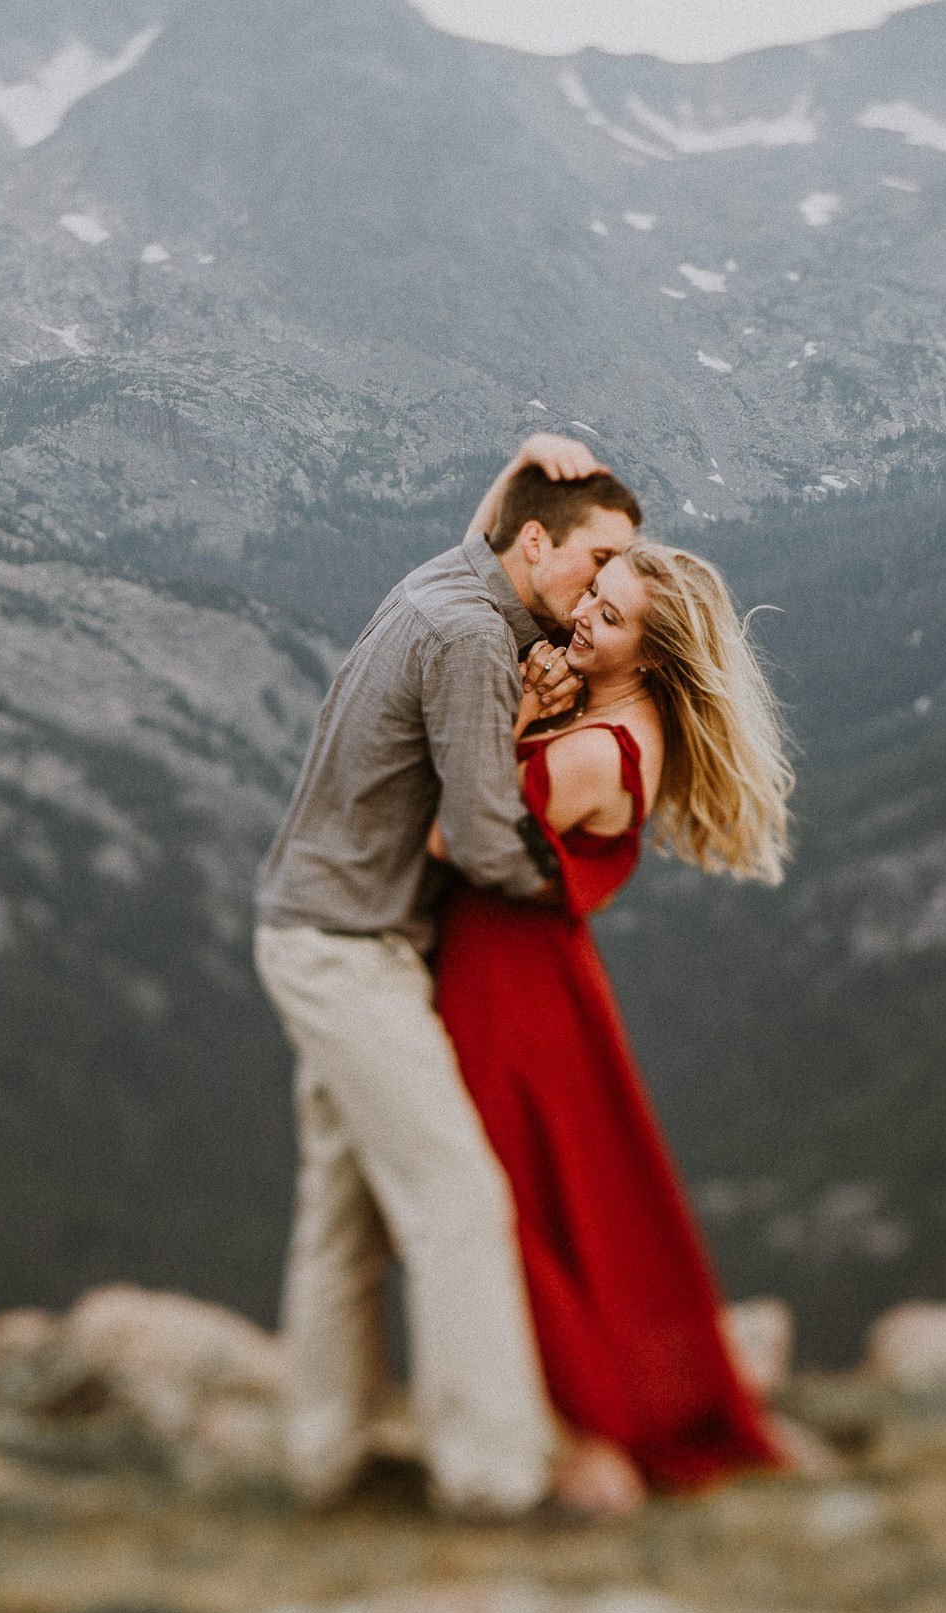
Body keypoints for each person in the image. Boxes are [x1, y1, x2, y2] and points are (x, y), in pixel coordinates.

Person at [253, 433, 643, 1518]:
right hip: (351, 950)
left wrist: (524, 457)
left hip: (312, 927)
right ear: (532, 541)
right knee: (459, 1199)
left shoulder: (448, 579)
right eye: (596, 557)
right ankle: (498, 1476)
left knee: (343, 1213)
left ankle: (327, 1455)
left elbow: (499, 530)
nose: (605, 584)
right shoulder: (473, 637)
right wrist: (564, 891)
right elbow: (479, 833)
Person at [431, 468, 796, 1512]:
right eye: (594, 593)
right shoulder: (622, 726)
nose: (585, 614)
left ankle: (592, 1427)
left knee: (512, 1203)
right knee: (577, 1201)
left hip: (507, 986)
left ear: (656, 648)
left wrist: (511, 720)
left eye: (613, 612)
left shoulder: (594, 751)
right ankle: (603, 1406)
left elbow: (457, 827)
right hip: (540, 978)